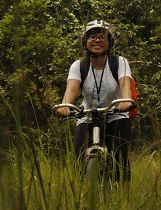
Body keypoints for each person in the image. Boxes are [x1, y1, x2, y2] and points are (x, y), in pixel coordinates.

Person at [57, 20, 134, 182]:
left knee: (119, 158)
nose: (98, 40)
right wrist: (64, 106)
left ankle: (124, 196)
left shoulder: (119, 62)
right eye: (92, 36)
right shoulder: (78, 66)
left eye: (102, 37)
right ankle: (85, 195)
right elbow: (71, 90)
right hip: (87, 115)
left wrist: (126, 101)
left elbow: (125, 85)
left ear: (109, 42)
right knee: (79, 157)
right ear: (85, 42)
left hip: (116, 114)